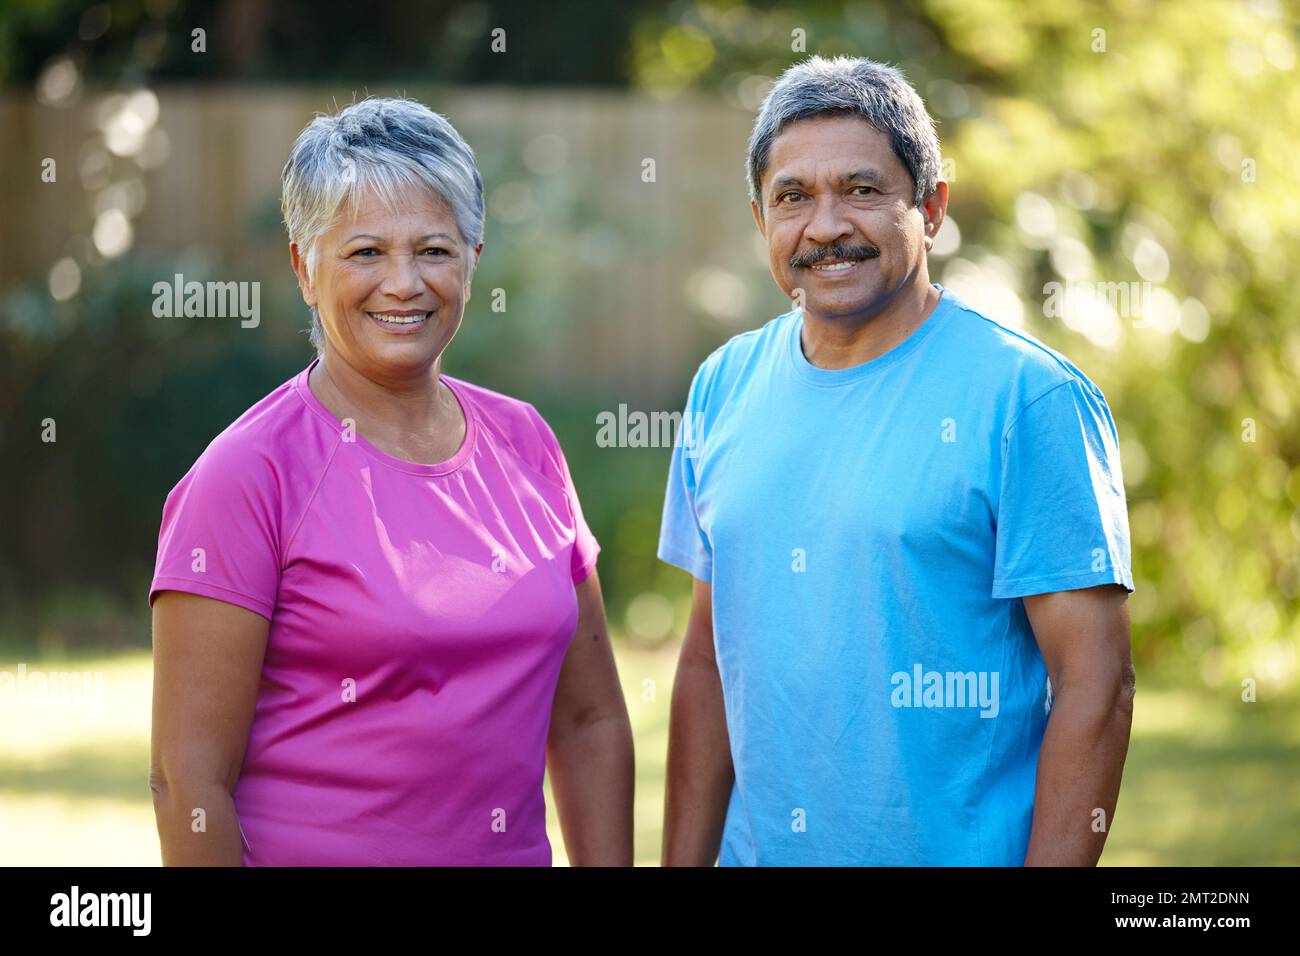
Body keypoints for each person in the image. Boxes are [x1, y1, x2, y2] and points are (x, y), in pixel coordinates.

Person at [658, 56, 1135, 866]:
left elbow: (1097, 687)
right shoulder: (721, 387)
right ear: (760, 217)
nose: (826, 225)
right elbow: (709, 657)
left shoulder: (1028, 402)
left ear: (933, 208)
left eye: (863, 190)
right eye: (793, 197)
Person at [149, 97, 633, 866]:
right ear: (306, 269)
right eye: (366, 252)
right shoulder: (246, 475)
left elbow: (589, 721)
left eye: (433, 250)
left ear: (474, 257)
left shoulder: (528, 442)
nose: (403, 283)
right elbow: (188, 783)